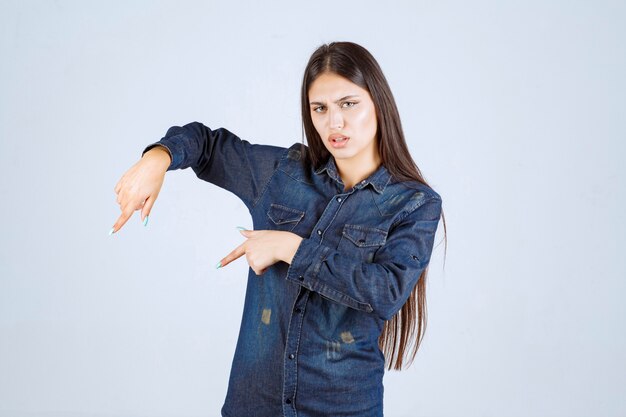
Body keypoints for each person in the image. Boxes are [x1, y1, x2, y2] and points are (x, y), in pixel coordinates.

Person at [111, 41, 447, 417]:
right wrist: (158, 158)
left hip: (344, 407)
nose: (334, 123)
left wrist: (291, 247)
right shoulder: (283, 175)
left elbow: (385, 291)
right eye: (320, 108)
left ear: (378, 104)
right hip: (254, 404)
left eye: (348, 104)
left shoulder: (415, 203)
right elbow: (206, 144)